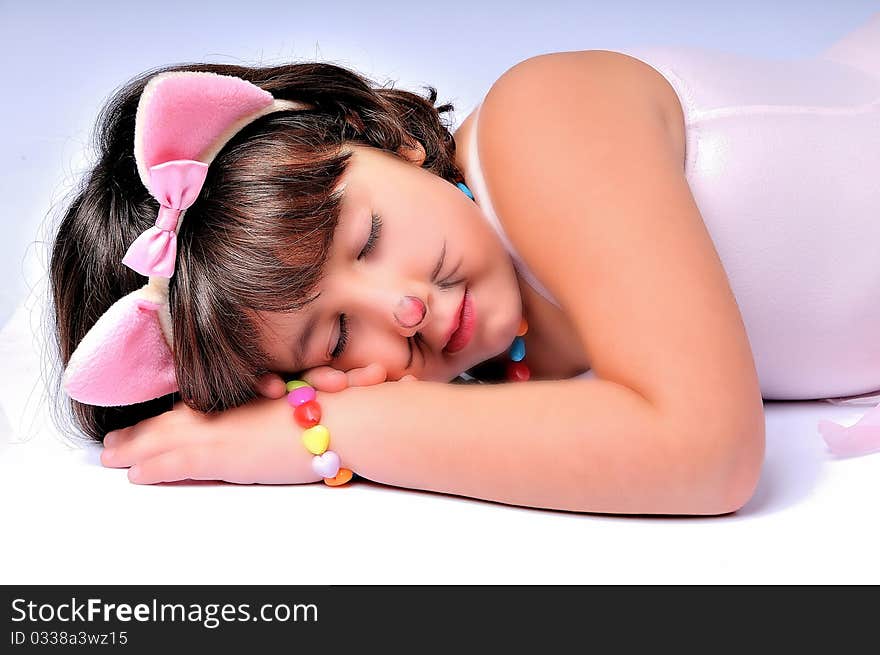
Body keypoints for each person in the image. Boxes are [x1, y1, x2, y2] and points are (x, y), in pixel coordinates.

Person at [48, 14, 880, 514]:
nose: (401, 308)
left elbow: (707, 451)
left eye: (368, 236)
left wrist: (324, 433)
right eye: (335, 335)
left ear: (388, 138)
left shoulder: (543, 125)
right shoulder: (503, 374)